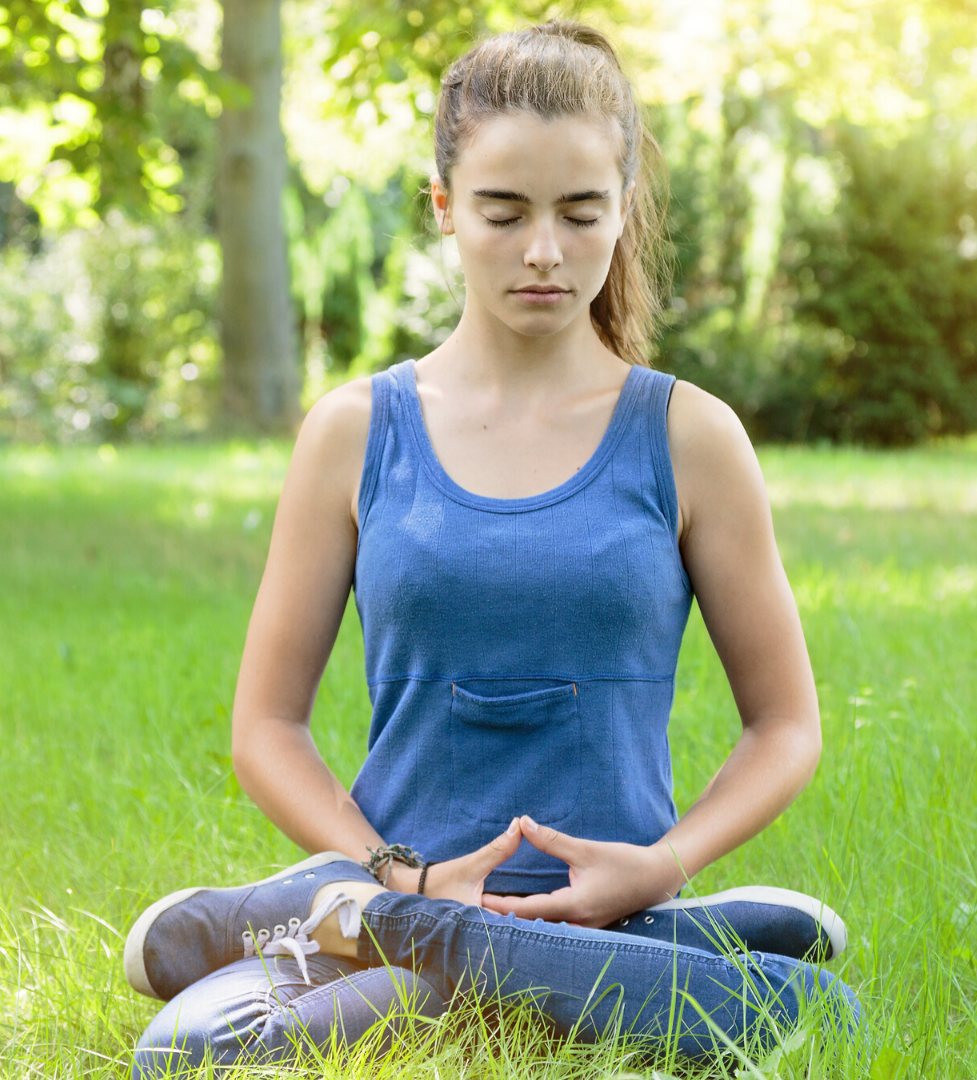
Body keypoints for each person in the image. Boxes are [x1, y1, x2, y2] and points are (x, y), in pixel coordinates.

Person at [125, 22, 858, 1074]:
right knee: (184, 1055)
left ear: (625, 209)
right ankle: (638, 950)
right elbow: (268, 726)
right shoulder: (353, 432)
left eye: (581, 213)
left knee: (824, 1024)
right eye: (504, 213)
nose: (545, 251)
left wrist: (660, 867)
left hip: (610, 914)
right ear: (443, 207)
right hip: (387, 897)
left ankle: (344, 931)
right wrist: (399, 879)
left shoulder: (691, 437)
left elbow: (784, 724)